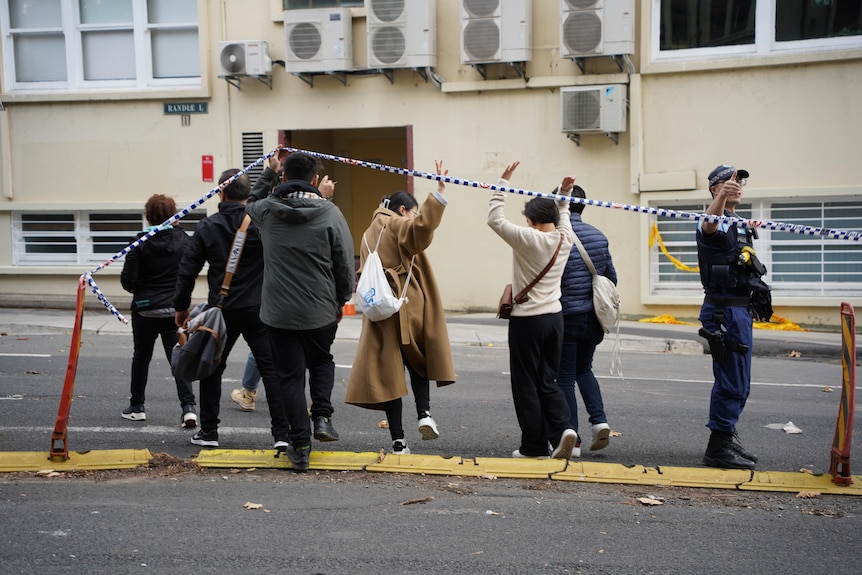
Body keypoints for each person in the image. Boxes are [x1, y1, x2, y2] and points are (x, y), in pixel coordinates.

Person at [246, 151, 354, 472]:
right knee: (321, 361)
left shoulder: (266, 211)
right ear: (315, 180)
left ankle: (301, 444)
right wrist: (340, 299)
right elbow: (344, 264)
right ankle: (321, 417)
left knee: (289, 378)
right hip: (321, 310)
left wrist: (268, 173)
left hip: (278, 313)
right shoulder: (331, 213)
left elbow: (249, 201)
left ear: (282, 177)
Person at [174, 169, 290, 451]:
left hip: (221, 310)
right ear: (247, 194)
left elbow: (187, 271)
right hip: (261, 308)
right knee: (271, 369)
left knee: (211, 366)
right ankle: (281, 434)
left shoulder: (206, 227)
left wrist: (181, 308)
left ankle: (210, 431)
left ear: (220, 193)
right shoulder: (263, 224)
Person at [345, 160, 456, 455]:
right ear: (403, 210)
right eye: (414, 211)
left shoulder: (369, 232)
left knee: (389, 374)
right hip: (407, 303)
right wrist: (439, 195)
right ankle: (424, 414)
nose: (415, 216)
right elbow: (421, 229)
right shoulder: (395, 223)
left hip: (379, 310)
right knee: (419, 360)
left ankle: (398, 441)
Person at [487, 161, 578, 460]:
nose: (526, 224)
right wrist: (565, 192)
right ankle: (563, 428)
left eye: (527, 220)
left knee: (526, 384)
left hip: (528, 322)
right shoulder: (564, 238)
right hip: (555, 319)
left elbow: (495, 220)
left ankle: (534, 447)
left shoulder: (529, 239)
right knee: (548, 379)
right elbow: (563, 212)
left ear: (533, 222)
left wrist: (502, 182)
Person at [697, 164, 772, 470]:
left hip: (740, 309)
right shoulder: (712, 220)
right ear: (715, 189)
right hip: (723, 310)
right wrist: (719, 200)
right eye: (729, 182)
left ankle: (726, 437)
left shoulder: (738, 221)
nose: (737, 185)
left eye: (739, 181)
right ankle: (717, 448)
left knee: (742, 383)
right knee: (731, 381)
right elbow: (708, 226)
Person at [119, 194, 197, 428]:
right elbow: (189, 271)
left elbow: (128, 280)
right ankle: (188, 409)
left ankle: (137, 406)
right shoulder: (184, 240)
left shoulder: (139, 242)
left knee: (141, 356)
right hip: (174, 310)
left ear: (148, 215)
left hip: (144, 310)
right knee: (178, 358)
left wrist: (140, 289)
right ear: (175, 215)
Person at [556, 183, 617, 458]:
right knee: (585, 369)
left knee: (565, 376)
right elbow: (610, 278)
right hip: (592, 318)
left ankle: (573, 439)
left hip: (566, 316)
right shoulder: (599, 235)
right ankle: (600, 422)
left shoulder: (558, 236)